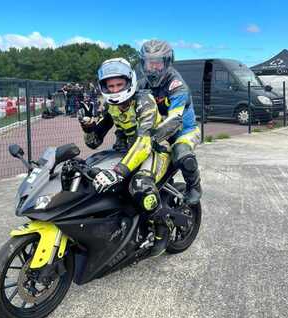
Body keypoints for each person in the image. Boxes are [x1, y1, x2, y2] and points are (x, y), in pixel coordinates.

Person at [78, 58, 181, 256]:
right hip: (129, 152)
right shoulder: (111, 107)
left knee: (139, 185)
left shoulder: (144, 101)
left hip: (156, 149)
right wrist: (88, 127)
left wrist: (118, 171)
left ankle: (161, 230)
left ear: (129, 82)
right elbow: (93, 142)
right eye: (111, 86)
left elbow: (144, 142)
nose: (115, 90)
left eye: (119, 84)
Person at [139, 40, 202, 205]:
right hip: (158, 133)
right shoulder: (142, 84)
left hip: (184, 131)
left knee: (182, 153)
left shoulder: (177, 85)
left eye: (157, 64)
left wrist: (150, 137)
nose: (152, 69)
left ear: (166, 63)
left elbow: (174, 120)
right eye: (148, 63)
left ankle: (194, 186)